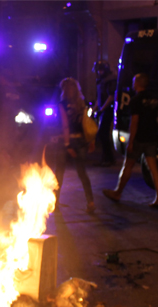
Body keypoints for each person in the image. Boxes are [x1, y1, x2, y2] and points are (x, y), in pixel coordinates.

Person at [102, 73, 158, 207]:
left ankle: (117, 192)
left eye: (134, 81)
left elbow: (134, 122)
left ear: (138, 84)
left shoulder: (135, 100)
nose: (132, 83)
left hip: (139, 138)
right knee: (153, 168)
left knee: (128, 166)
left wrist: (131, 142)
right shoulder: (154, 99)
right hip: (151, 137)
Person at [49, 77, 96, 213]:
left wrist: (67, 145)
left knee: (59, 172)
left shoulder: (62, 104)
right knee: (82, 172)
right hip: (82, 141)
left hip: (67, 140)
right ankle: (90, 202)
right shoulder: (83, 104)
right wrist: (92, 141)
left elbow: (65, 125)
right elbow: (89, 124)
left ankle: (55, 202)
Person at [93, 60, 117, 167]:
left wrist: (102, 109)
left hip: (108, 110)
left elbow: (111, 96)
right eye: (98, 70)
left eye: (101, 70)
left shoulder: (110, 80)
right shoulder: (102, 80)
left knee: (103, 133)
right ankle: (106, 157)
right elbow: (100, 97)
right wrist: (95, 108)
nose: (99, 72)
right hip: (103, 109)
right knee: (102, 134)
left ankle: (108, 158)